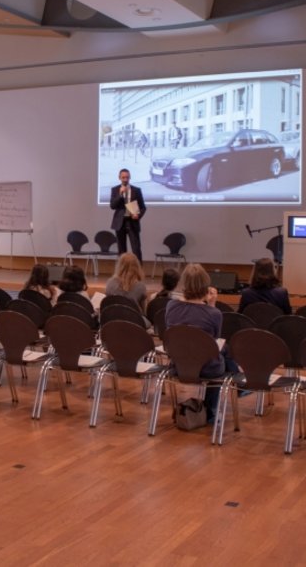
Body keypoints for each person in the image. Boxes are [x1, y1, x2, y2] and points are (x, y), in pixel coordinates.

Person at [164, 264, 237, 422]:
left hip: (179, 366)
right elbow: (214, 343)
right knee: (222, 352)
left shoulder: (171, 307)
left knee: (220, 351)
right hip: (207, 369)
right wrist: (211, 305)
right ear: (206, 286)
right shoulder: (214, 314)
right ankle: (212, 410)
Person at [109, 168, 146, 262]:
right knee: (121, 250)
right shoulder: (115, 189)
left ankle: (138, 273)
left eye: (127, 177)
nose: (125, 179)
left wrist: (138, 215)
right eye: (123, 177)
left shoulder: (136, 190)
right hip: (119, 223)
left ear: (130, 177)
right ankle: (122, 273)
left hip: (132, 222)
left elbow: (143, 207)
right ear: (119, 178)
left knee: (136, 249)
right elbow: (112, 206)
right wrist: (120, 194)